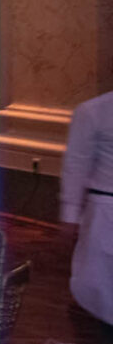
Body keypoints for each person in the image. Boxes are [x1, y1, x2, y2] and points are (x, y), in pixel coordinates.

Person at [62, 90, 113, 324]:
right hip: (105, 210)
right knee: (99, 283)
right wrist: (69, 216)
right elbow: (76, 165)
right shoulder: (92, 111)